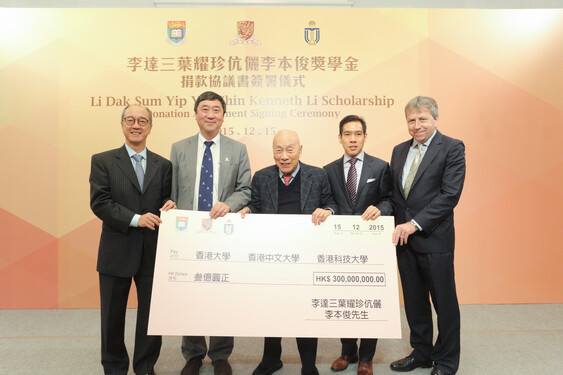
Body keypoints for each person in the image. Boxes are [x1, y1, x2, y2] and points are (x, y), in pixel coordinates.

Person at [238, 129, 336, 375]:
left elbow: (331, 203)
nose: (284, 156)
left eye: (289, 149)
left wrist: (328, 211)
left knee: (306, 310)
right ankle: (271, 359)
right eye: (278, 150)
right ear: (273, 152)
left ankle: (308, 364)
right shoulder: (262, 177)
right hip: (273, 254)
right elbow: (256, 206)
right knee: (272, 308)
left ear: (300, 150)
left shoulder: (318, 175)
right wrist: (249, 210)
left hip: (307, 255)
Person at [170, 91, 251, 375]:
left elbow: (245, 189)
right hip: (187, 233)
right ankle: (193, 353)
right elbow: (172, 190)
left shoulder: (237, 149)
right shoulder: (179, 148)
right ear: (195, 114)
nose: (210, 114)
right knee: (189, 292)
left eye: (216, 109)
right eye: (204, 109)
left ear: (223, 115)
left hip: (223, 232)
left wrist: (229, 205)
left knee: (221, 291)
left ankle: (220, 354)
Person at [90, 104, 174, 375]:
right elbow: (100, 203)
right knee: (112, 317)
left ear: (150, 126)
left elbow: (165, 201)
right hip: (117, 250)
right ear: (122, 124)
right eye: (130, 120)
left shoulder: (164, 165)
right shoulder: (102, 160)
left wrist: (171, 206)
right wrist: (137, 219)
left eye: (142, 121)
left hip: (153, 252)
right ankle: (114, 367)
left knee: (152, 316)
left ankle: (145, 366)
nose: (136, 125)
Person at [389, 96, 465, 375]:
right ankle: (421, 353)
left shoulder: (452, 148)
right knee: (414, 301)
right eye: (411, 120)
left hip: (434, 238)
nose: (417, 125)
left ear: (435, 119)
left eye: (422, 119)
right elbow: (395, 195)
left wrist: (415, 223)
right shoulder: (398, 151)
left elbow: (449, 195)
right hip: (404, 241)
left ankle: (445, 362)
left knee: (444, 303)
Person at [323, 115, 394, 375]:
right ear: (340, 137)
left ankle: (366, 357)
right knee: (343, 300)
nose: (352, 139)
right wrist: (329, 209)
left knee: (368, 301)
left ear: (365, 136)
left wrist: (381, 209)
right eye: (347, 134)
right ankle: (347, 351)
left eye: (357, 134)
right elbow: (328, 200)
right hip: (340, 247)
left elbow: (389, 200)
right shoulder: (328, 170)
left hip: (371, 247)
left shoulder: (380, 167)